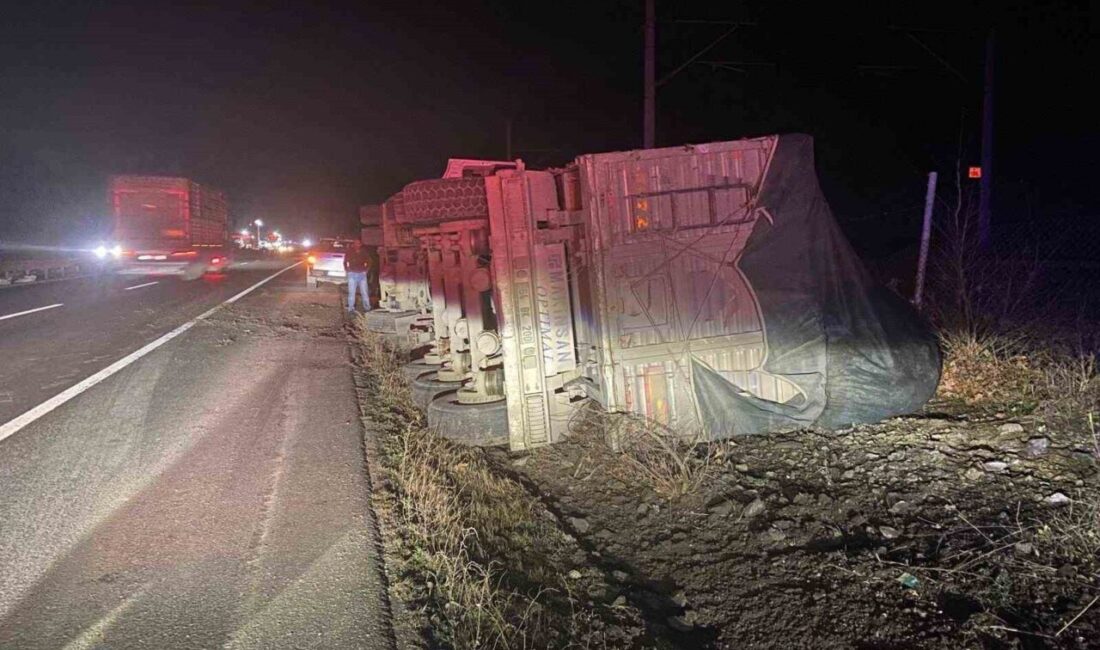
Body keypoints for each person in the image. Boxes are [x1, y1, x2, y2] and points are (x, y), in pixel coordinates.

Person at [343, 239, 371, 313]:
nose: (357, 245)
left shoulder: (364, 252)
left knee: (364, 292)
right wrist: (347, 270)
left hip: (362, 274)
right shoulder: (350, 251)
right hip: (352, 274)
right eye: (356, 243)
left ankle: (367, 308)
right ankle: (351, 308)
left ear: (360, 244)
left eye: (358, 243)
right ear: (353, 244)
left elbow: (369, 261)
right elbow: (345, 262)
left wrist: (366, 270)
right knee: (351, 292)